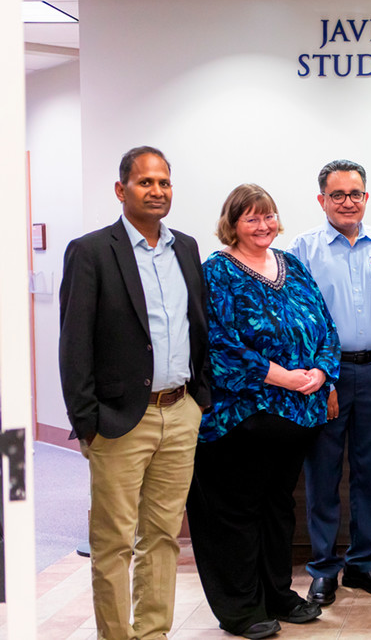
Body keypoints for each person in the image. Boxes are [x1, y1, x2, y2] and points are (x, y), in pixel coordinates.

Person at [58, 146, 210, 640]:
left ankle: (153, 634)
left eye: (164, 182)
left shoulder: (185, 247)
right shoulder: (91, 252)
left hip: (180, 411)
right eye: (146, 182)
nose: (157, 191)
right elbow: (74, 343)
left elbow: (198, 327)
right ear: (121, 190)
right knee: (113, 543)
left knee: (163, 538)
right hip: (120, 421)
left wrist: (199, 401)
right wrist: (88, 422)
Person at [186, 184, 341, 640]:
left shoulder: (292, 265)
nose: (263, 225)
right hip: (241, 422)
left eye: (269, 215)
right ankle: (241, 608)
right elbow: (217, 346)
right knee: (236, 515)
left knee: (278, 511)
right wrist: (286, 377)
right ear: (231, 224)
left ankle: (278, 594)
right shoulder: (217, 272)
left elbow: (326, 326)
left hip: (297, 420)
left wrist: (320, 372)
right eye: (251, 218)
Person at [288, 159, 371, 605]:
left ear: (366, 197)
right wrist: (326, 379)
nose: (347, 202)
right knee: (323, 473)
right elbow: (298, 321)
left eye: (355, 193)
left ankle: (363, 565)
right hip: (327, 376)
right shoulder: (303, 249)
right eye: (337, 195)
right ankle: (322, 568)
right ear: (322, 200)